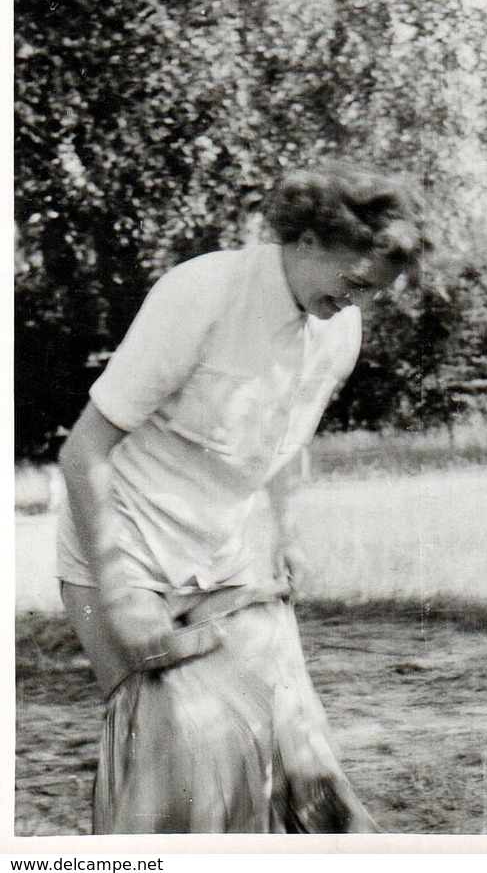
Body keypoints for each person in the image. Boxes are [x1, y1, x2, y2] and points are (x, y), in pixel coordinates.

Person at [57, 162, 427, 834]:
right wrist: (120, 591)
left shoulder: (337, 329)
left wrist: (284, 535)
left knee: (291, 761)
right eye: (353, 283)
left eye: (373, 292)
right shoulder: (201, 293)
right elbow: (83, 452)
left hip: (229, 565)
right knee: (176, 770)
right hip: (122, 554)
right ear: (307, 239)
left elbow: (278, 449)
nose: (361, 303)